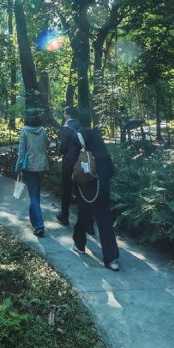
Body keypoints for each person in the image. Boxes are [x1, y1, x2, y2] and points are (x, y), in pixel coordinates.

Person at [65, 124, 120, 270]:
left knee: (84, 214)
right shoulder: (100, 147)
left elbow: (70, 161)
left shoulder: (78, 140)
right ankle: (111, 258)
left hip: (86, 186)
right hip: (102, 186)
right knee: (105, 219)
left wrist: (69, 184)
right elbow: (111, 169)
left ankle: (79, 243)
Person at [15, 109, 49, 237]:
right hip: (42, 166)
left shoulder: (24, 131)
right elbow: (48, 143)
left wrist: (18, 167)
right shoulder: (43, 130)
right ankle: (34, 221)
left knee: (33, 195)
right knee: (36, 194)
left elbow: (22, 151)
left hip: (29, 167)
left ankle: (39, 225)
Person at [57, 105, 83, 225]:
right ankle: (87, 222)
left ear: (67, 113)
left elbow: (62, 149)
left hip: (69, 163)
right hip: (83, 162)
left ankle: (64, 216)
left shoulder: (66, 128)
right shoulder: (81, 126)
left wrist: (58, 145)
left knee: (67, 189)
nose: (63, 114)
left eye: (64, 112)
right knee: (82, 191)